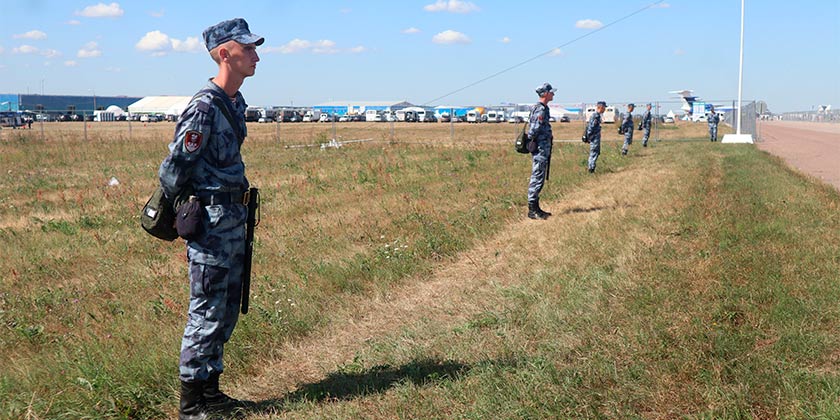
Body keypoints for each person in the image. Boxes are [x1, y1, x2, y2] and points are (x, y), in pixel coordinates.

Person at [157, 18, 263, 420]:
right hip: (212, 224)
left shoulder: (234, 103)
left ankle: (212, 393)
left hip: (233, 220)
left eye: (254, 48)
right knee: (205, 310)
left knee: (226, 307)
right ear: (225, 54)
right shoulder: (204, 106)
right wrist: (181, 211)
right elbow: (174, 168)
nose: (255, 56)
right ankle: (192, 404)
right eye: (248, 49)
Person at [526, 82, 555, 220]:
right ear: (545, 94)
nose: (553, 94)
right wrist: (535, 141)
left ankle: (536, 207)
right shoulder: (541, 109)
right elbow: (534, 129)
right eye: (551, 92)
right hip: (540, 148)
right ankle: (532, 210)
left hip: (543, 147)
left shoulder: (542, 108)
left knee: (540, 176)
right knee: (537, 176)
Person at [585, 101, 606, 173]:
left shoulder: (597, 116)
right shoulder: (595, 116)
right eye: (604, 108)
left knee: (596, 152)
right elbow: (591, 128)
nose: (604, 109)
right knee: (594, 152)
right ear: (600, 107)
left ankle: (591, 167)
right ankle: (591, 168)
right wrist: (590, 137)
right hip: (594, 138)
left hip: (595, 138)